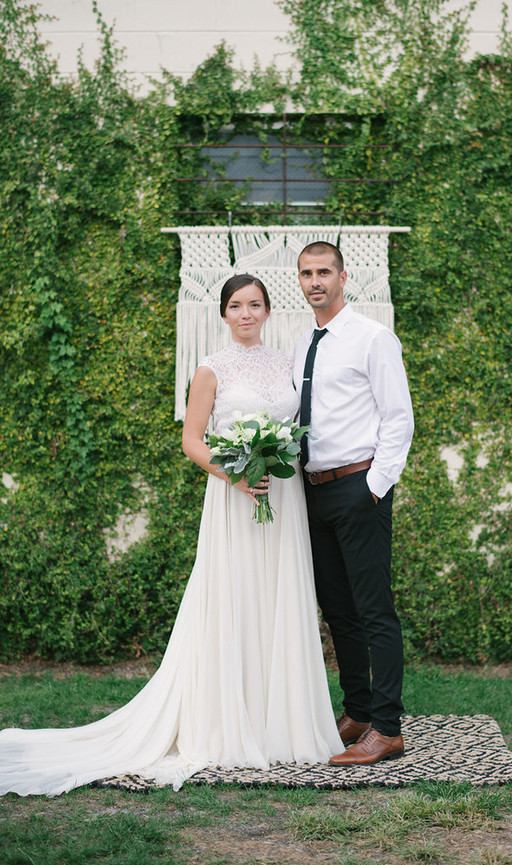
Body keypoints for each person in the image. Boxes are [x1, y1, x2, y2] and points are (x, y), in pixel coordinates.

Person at [0, 273, 342, 797]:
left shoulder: (287, 363)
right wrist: (237, 473)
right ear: (223, 315)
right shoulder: (210, 369)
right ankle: (229, 722)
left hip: (285, 496)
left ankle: (285, 724)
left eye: (254, 305)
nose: (246, 314)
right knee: (236, 597)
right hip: (235, 497)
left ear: (269, 311)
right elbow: (191, 440)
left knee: (282, 598)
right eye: (235, 306)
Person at [293, 242, 414, 766]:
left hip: (358, 487)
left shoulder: (373, 338)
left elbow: (399, 416)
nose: (315, 281)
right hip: (313, 491)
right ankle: (359, 713)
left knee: (374, 611)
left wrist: (375, 486)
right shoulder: (304, 343)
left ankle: (387, 729)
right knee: (338, 612)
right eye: (306, 273)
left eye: (324, 272)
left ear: (344, 277)